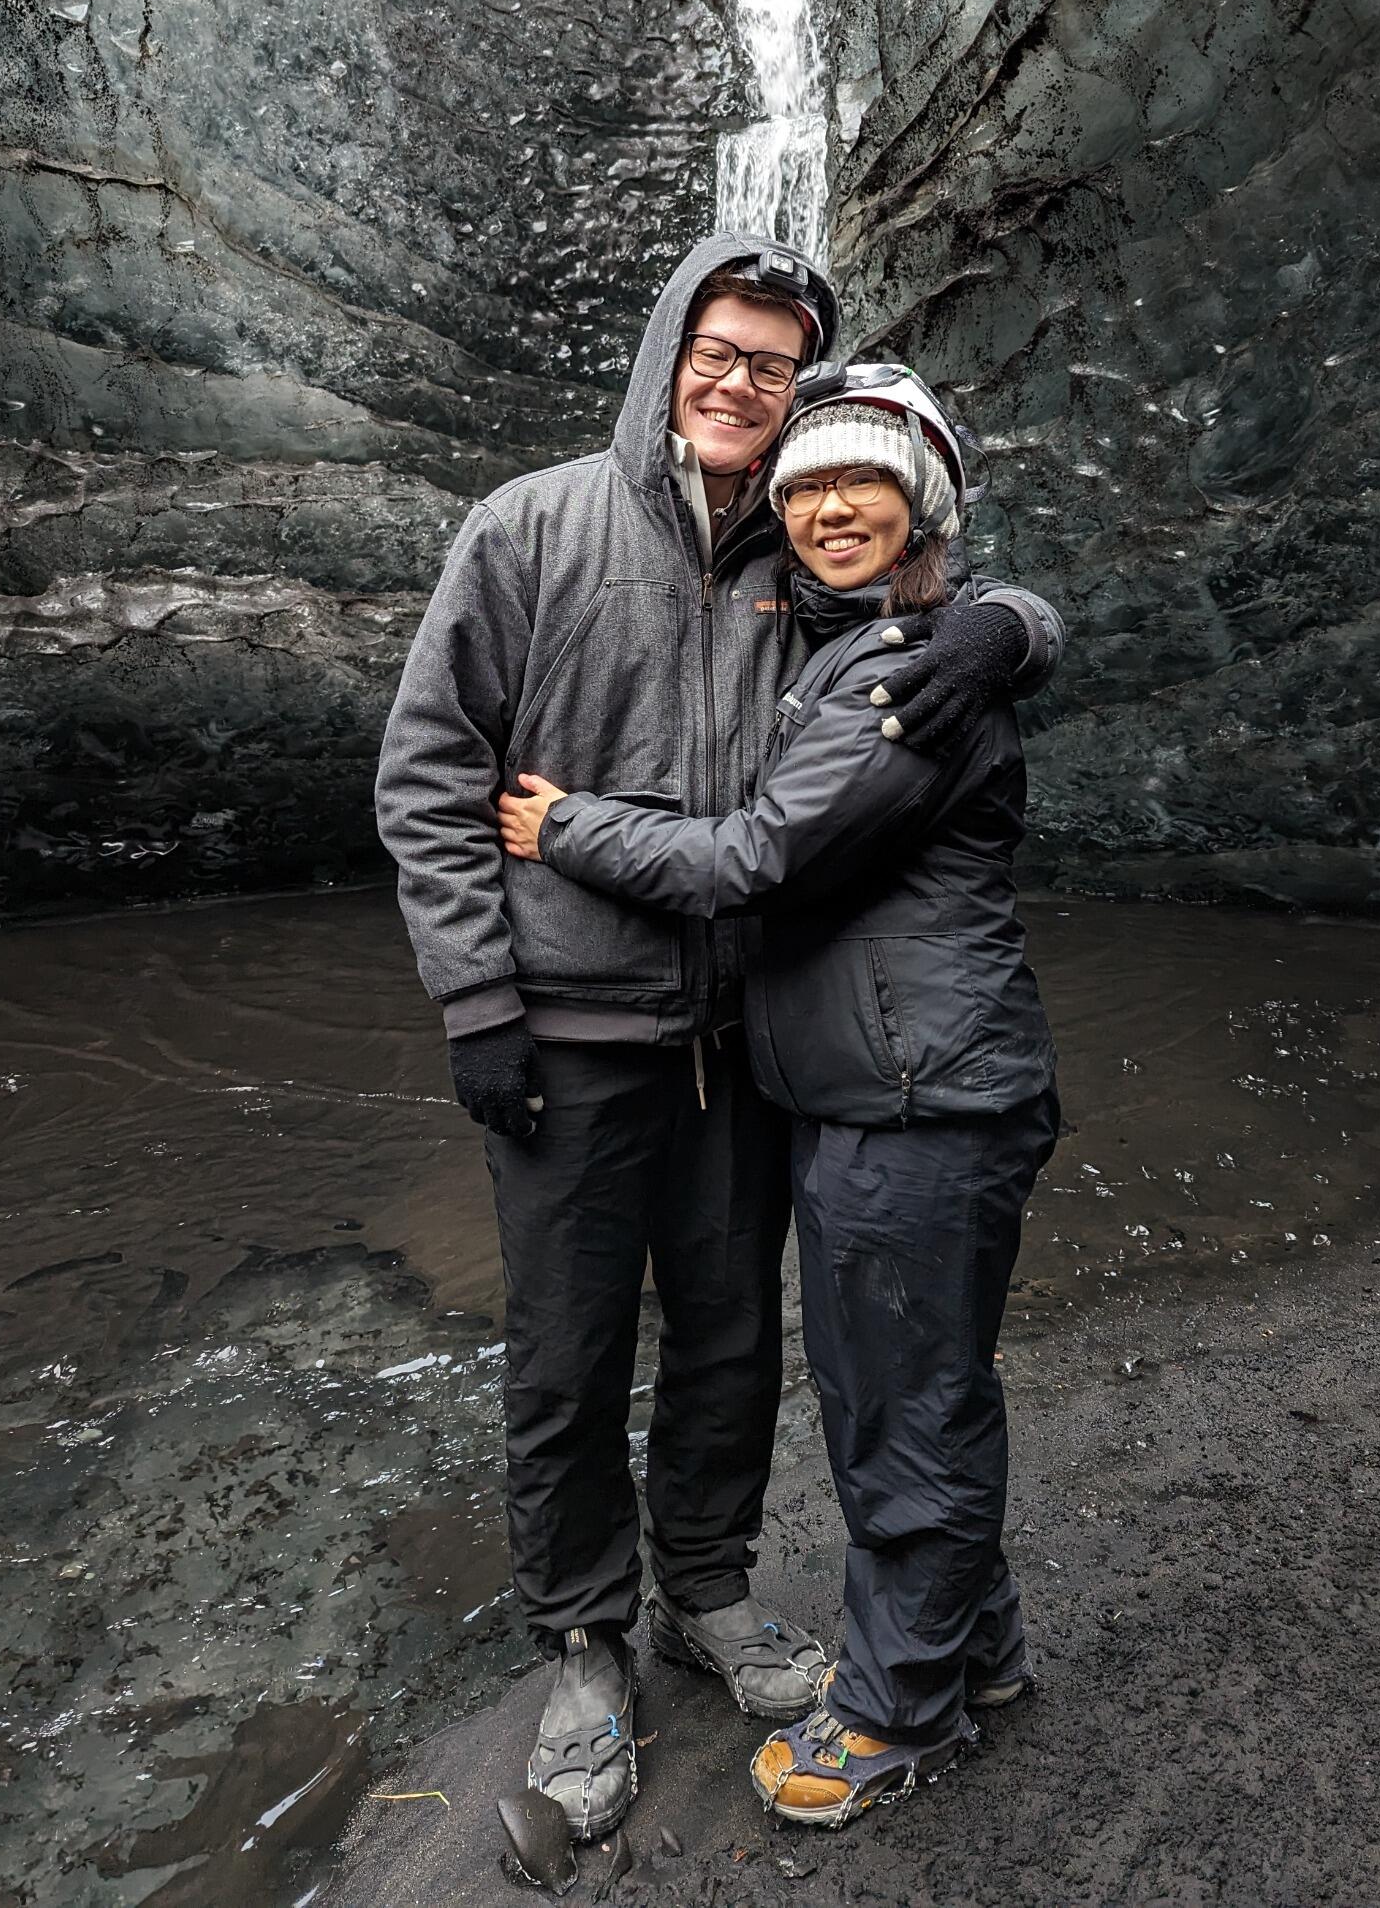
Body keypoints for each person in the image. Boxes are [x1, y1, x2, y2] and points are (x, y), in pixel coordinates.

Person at [375, 236, 1060, 1840]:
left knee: (731, 1343)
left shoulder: (800, 550)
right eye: (719, 351)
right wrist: (476, 999)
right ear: (667, 350)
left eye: (773, 364)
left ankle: (705, 1587)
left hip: (741, 1037)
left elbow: (941, 589)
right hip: (566, 1030)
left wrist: (1010, 628)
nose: (740, 383)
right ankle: (582, 1643)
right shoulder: (531, 526)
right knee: (563, 1355)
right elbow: (428, 773)